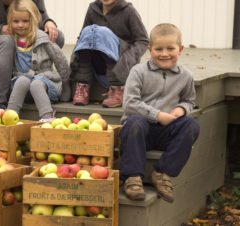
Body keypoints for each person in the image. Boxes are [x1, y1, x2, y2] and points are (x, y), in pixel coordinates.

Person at [120, 23, 200, 203]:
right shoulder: (138, 71)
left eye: (170, 48)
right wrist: (157, 115)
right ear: (149, 50)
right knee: (134, 123)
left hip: (166, 131)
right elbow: (130, 103)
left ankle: (162, 173)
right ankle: (132, 178)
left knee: (191, 126)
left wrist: (182, 109)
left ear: (180, 49)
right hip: (140, 131)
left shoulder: (185, 76)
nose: (164, 53)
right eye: (158, 49)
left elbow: (189, 100)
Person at [0, 0, 65, 111]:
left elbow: (39, 18)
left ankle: (35, 78)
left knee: (56, 36)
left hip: (20, 51)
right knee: (6, 41)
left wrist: (48, 22)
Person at [70, 0, 148, 107]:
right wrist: (74, 60)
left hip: (120, 70)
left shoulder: (129, 11)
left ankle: (117, 89)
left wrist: (126, 61)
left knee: (103, 32)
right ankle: (83, 86)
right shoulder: (92, 9)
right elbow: (83, 37)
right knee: (88, 31)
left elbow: (143, 41)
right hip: (98, 67)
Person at [6, 0, 69, 122]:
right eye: (16, 21)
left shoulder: (42, 38)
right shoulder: (10, 40)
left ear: (34, 20)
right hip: (23, 87)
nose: (20, 25)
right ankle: (10, 115)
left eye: (25, 21)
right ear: (10, 21)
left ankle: (47, 117)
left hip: (45, 85)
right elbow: (5, 65)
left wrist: (66, 86)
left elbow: (60, 60)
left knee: (36, 83)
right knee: (22, 80)